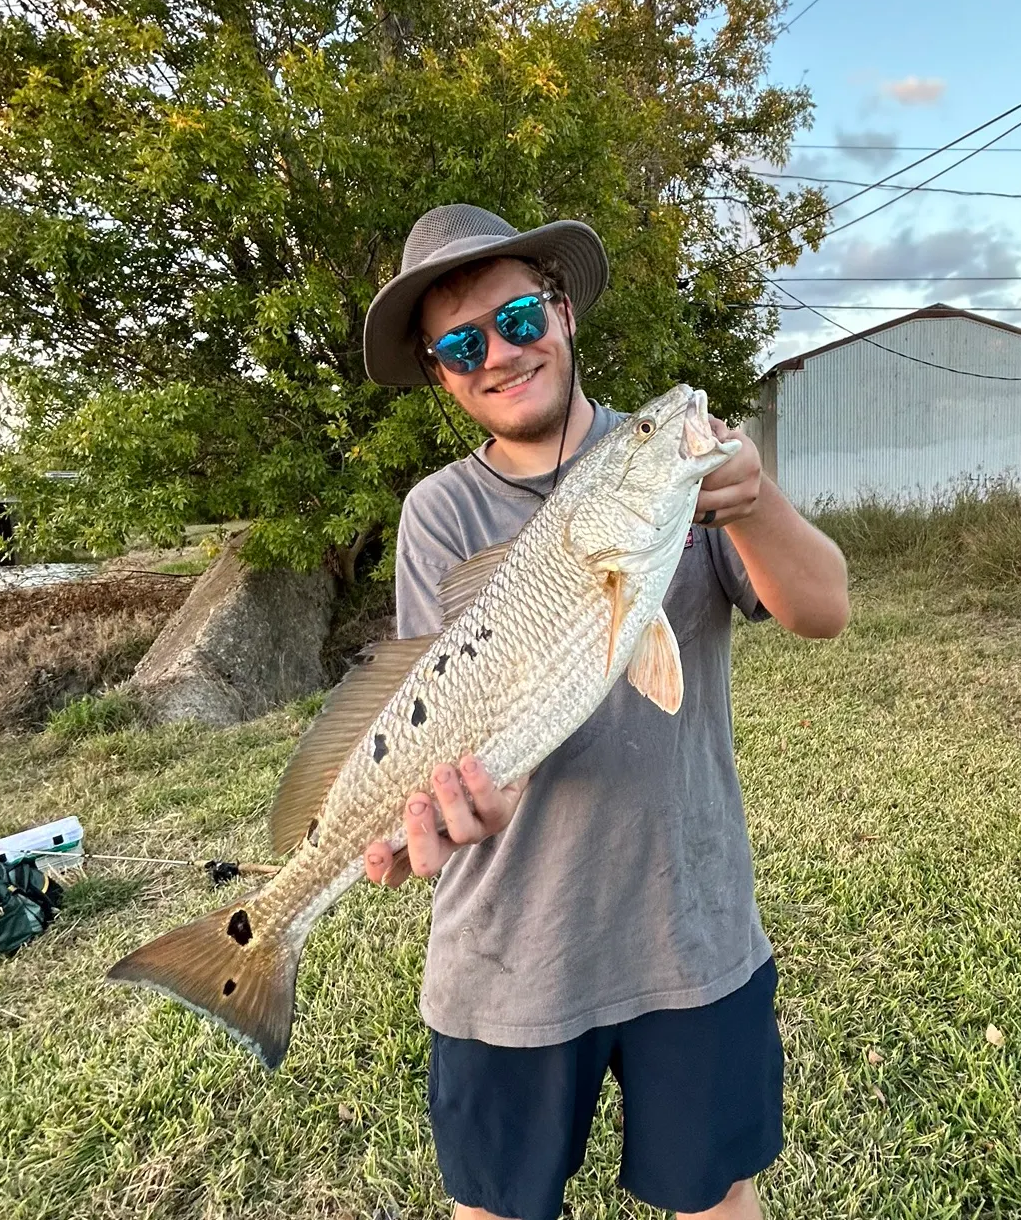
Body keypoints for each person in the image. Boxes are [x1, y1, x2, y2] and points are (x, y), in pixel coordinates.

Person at [360, 203, 850, 1220]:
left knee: (715, 1197)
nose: (498, 354)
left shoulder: (670, 470)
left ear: (566, 312)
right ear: (442, 373)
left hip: (692, 931)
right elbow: (441, 720)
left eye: (518, 320)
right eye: (460, 345)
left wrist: (752, 500)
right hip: (509, 955)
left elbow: (825, 610)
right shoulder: (438, 515)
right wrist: (451, 818)